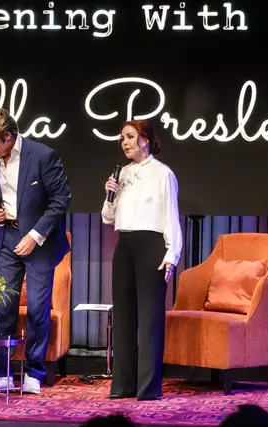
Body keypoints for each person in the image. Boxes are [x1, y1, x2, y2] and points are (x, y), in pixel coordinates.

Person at [0, 108, 71, 394]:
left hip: (39, 239)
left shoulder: (43, 156)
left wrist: (35, 235)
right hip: (7, 236)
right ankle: (4, 371)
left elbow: (61, 199)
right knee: (4, 307)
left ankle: (33, 372)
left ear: (8, 137)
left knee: (38, 309)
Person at [101, 119, 182, 401]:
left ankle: (148, 388)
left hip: (152, 246)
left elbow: (171, 215)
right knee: (123, 315)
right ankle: (123, 384)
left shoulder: (163, 173)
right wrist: (110, 195)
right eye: (122, 138)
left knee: (149, 318)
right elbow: (108, 218)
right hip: (125, 245)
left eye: (129, 136)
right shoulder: (122, 173)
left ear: (144, 140)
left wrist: (172, 254)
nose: (124, 142)